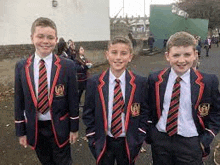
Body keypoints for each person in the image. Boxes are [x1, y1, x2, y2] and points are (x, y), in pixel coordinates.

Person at [147, 31, 220, 165]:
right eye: (176, 55)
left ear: (195, 55)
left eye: (187, 54)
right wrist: (151, 134)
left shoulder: (208, 81)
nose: (181, 60)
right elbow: (148, 107)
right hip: (161, 139)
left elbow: (217, 112)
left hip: (191, 141)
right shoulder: (155, 79)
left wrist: (206, 139)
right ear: (167, 56)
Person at [14, 17, 79, 165]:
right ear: (32, 38)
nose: (45, 41)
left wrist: (74, 128)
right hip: (35, 127)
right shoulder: (21, 66)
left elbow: (73, 99)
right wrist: (21, 131)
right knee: (45, 160)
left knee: (63, 161)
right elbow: (19, 100)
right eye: (40, 36)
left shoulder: (67, 66)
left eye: (50, 37)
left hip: (60, 126)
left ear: (56, 40)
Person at [82, 36, 149, 165]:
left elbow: (144, 111)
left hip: (128, 141)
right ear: (107, 55)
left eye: (123, 53)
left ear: (130, 56)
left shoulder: (140, 82)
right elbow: (88, 113)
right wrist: (92, 137)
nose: (118, 57)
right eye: (114, 52)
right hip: (104, 140)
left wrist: (139, 136)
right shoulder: (94, 82)